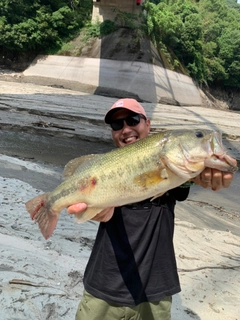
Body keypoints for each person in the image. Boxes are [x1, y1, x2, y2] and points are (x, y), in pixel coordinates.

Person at [68, 98, 236, 320]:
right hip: (105, 285)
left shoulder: (174, 172)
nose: (126, 129)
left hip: (155, 290)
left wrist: (207, 174)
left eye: (133, 120)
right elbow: (89, 208)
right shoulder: (105, 171)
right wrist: (92, 211)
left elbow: (190, 180)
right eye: (117, 125)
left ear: (148, 124)